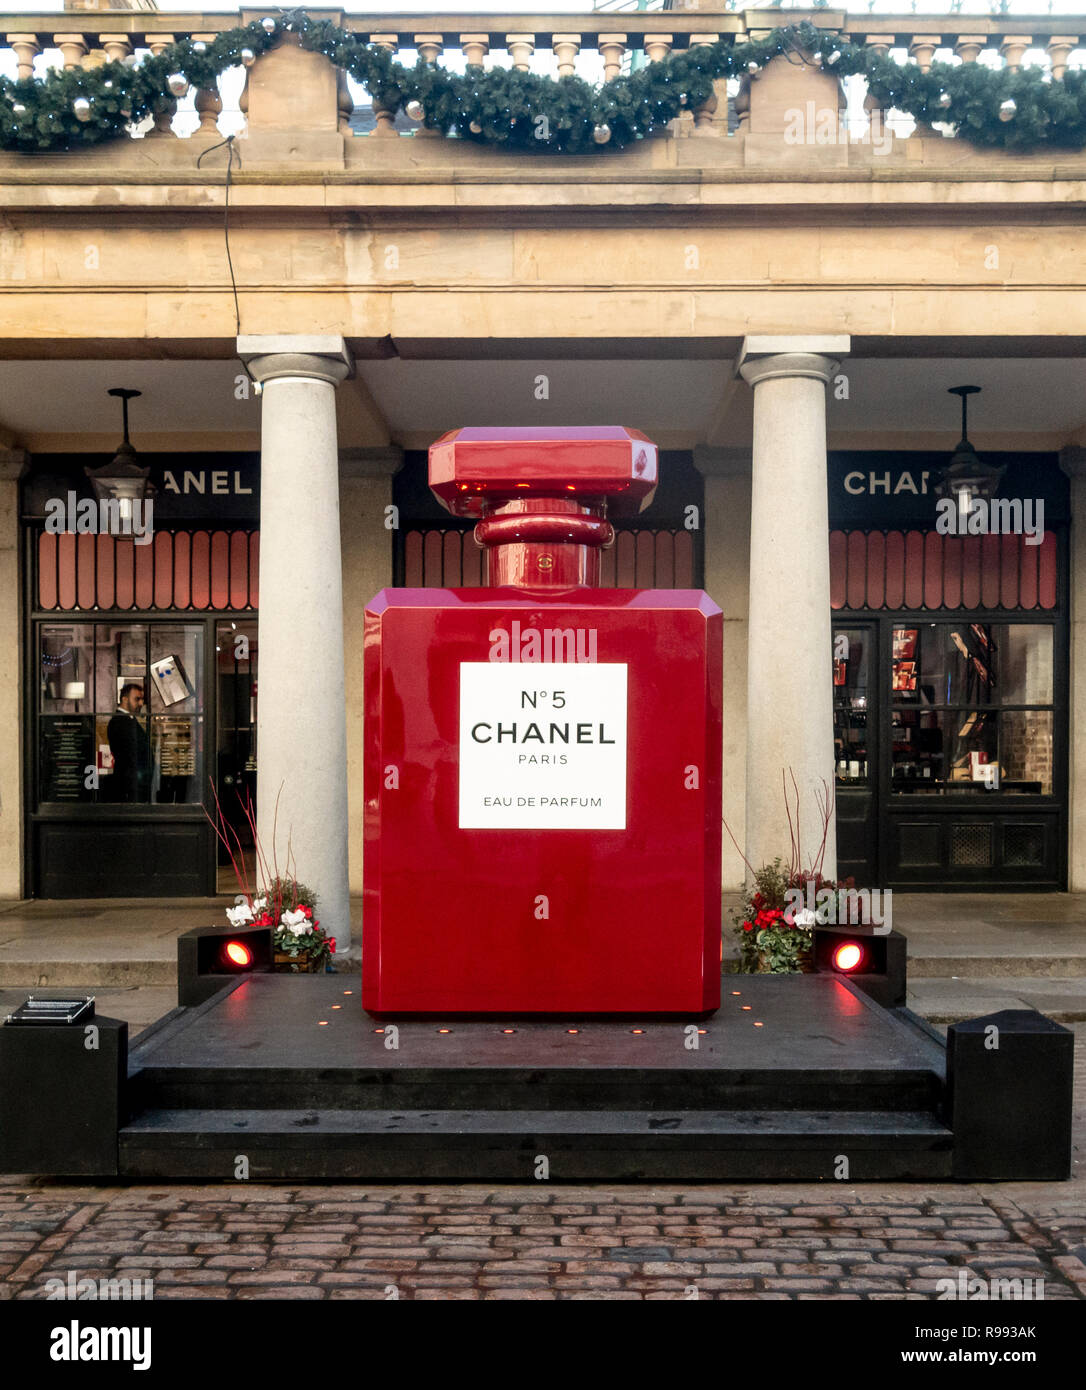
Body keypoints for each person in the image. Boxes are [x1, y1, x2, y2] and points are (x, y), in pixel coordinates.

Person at [107, 682, 150, 802]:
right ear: (124, 699)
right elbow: (128, 755)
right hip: (130, 784)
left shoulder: (128, 720)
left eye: (141, 699)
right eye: (137, 699)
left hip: (134, 781)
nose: (141, 703)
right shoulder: (119, 721)